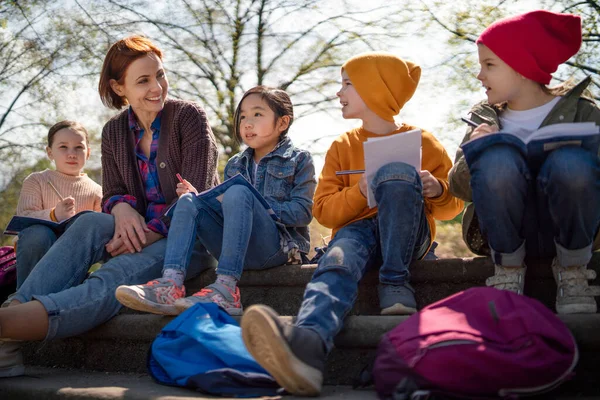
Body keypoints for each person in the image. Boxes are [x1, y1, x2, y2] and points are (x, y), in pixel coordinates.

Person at [240, 52, 464, 396]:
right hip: (355, 233)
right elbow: (325, 213)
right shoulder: (342, 146)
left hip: (408, 237)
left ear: (375, 90)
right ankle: (307, 347)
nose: (338, 92)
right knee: (337, 260)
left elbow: (452, 209)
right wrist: (360, 190)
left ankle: (395, 282)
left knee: (395, 173)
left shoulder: (425, 142)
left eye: (347, 84)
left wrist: (438, 189)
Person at [0, 35, 219, 378]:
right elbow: (115, 190)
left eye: (160, 75)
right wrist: (119, 208)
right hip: (136, 229)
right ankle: (14, 318)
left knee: (116, 276)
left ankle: (8, 325)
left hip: (187, 240)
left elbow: (197, 193)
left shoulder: (188, 117)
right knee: (88, 223)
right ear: (120, 88)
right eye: (143, 80)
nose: (157, 87)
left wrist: (147, 233)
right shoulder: (114, 131)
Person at [115, 86, 316, 316]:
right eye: (242, 117)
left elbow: (302, 212)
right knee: (189, 201)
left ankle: (227, 289)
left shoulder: (299, 159)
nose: (247, 123)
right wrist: (203, 200)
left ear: (282, 123)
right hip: (235, 246)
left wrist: (254, 203)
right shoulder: (235, 164)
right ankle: (171, 284)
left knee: (239, 193)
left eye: (257, 114)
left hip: (276, 248)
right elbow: (225, 212)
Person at [448, 10, 600, 314]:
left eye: (489, 65)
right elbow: (458, 186)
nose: (480, 75)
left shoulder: (584, 111)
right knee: (497, 157)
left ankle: (572, 272)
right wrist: (478, 150)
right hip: (506, 236)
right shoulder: (484, 116)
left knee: (571, 162)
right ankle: (508, 272)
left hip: (571, 230)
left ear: (522, 67)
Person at [14, 120, 102, 288]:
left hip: (72, 260)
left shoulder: (96, 191)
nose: (71, 154)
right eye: (63, 147)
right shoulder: (37, 181)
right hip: (35, 257)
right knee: (38, 235)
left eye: (79, 147)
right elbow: (23, 218)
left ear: (88, 152)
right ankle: (23, 297)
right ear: (50, 152)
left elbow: (98, 234)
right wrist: (54, 214)